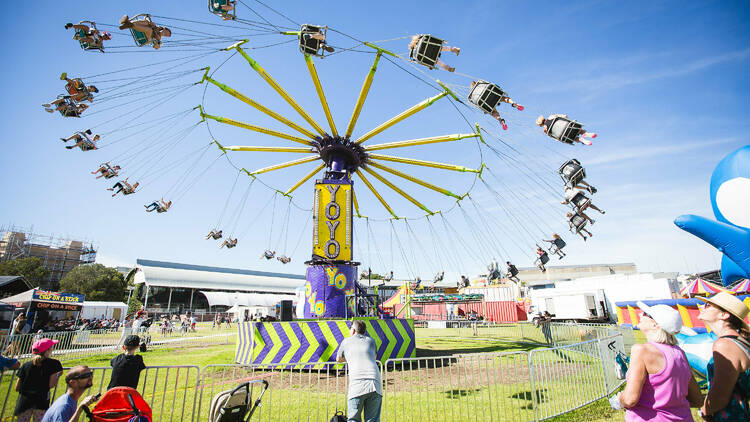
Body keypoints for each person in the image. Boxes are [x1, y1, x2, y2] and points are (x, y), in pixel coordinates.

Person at [611, 301, 703, 420]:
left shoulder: (641, 350)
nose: (640, 315)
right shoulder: (680, 353)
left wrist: (619, 399)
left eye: (645, 314)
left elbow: (630, 399)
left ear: (656, 325)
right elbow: (697, 400)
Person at [696, 292, 750, 421]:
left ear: (724, 315)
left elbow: (720, 394)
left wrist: (704, 411)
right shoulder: (739, 341)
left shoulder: (724, 345)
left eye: (708, 305)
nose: (703, 307)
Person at [337, 320, 382, 422]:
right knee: (373, 420)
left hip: (357, 384)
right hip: (375, 383)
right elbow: (374, 357)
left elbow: (338, 359)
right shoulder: (371, 341)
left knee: (353, 419)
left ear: (353, 331)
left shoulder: (346, 341)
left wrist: (349, 357)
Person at [14, 339, 64, 422]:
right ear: (48, 350)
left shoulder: (26, 365)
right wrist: (57, 375)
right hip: (41, 401)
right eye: (51, 347)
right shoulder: (54, 364)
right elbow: (51, 384)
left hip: (24, 402)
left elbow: (17, 387)